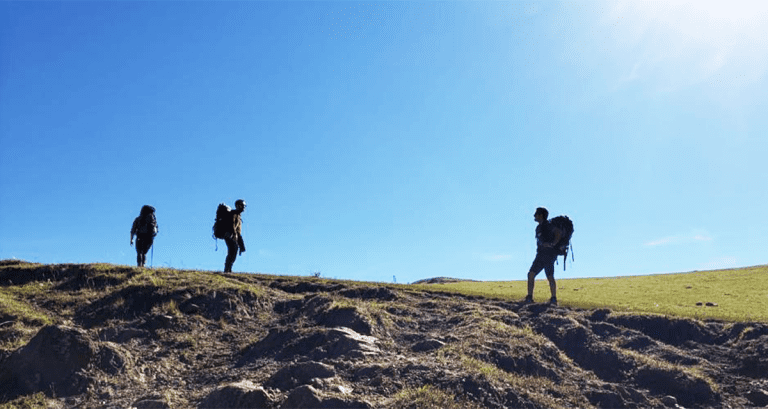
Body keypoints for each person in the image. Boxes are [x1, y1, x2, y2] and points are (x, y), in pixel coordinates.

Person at [525, 207, 562, 305]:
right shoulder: (538, 227)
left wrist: (552, 244)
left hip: (548, 255)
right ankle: (532, 297)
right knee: (533, 274)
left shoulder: (548, 225)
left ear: (541, 215)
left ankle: (552, 298)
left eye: (536, 214)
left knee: (544, 275)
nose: (534, 215)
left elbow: (558, 232)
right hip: (541, 254)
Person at [223, 199, 246, 273]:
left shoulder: (238, 216)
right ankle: (227, 269)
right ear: (238, 206)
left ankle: (228, 269)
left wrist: (241, 244)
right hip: (229, 235)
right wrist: (233, 235)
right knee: (232, 251)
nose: (244, 207)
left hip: (233, 236)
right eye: (243, 205)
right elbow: (232, 226)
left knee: (233, 251)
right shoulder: (233, 214)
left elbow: (238, 232)